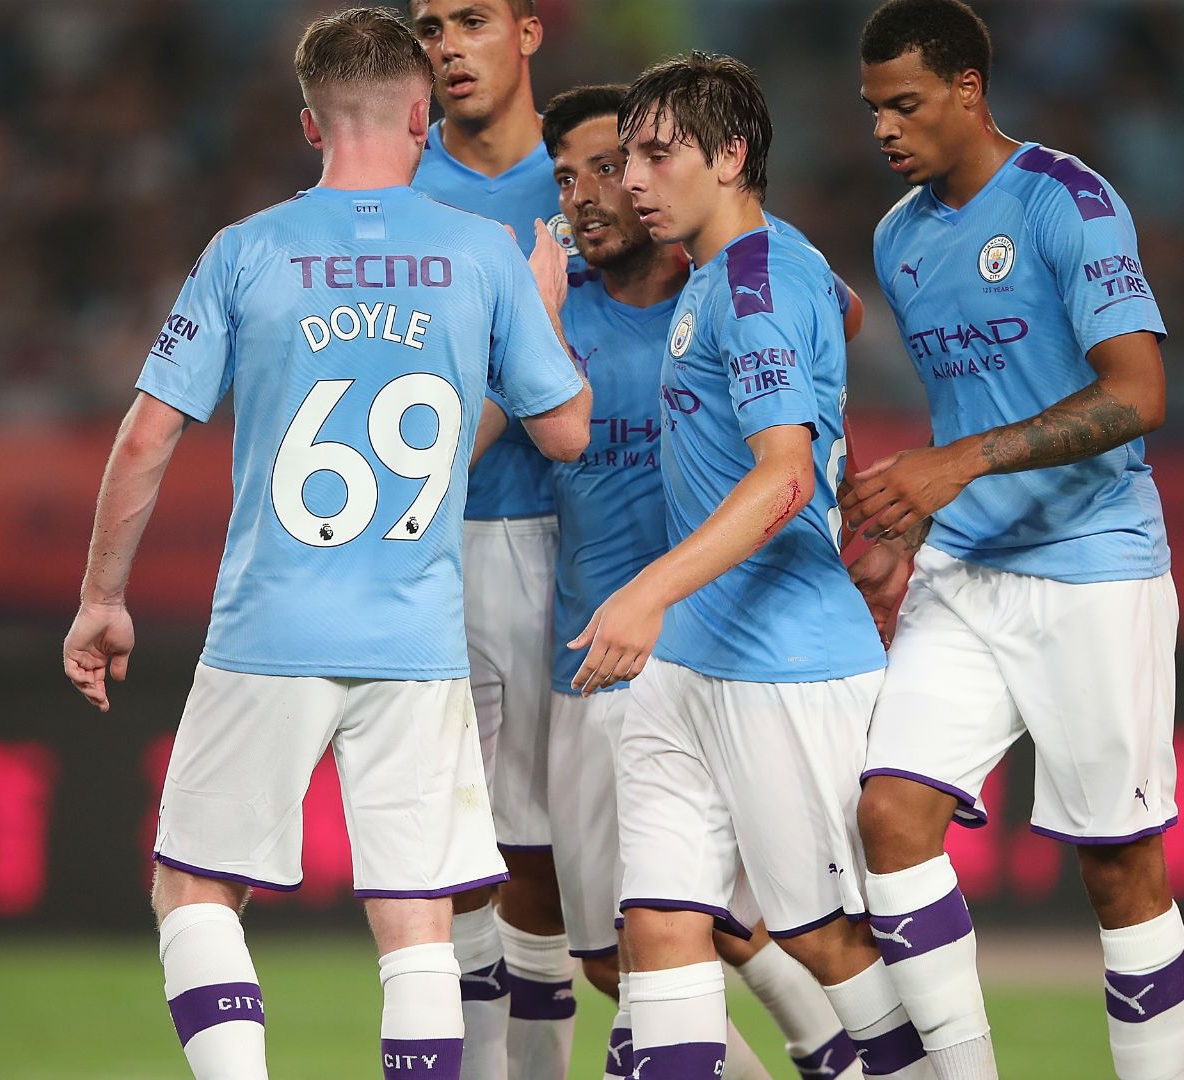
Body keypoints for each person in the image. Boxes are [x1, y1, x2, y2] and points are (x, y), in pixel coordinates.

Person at [59, 9, 590, 1078]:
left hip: (268, 627)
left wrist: (101, 597)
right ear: (418, 111)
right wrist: (540, 313)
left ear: (310, 124)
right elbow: (567, 430)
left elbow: (149, 433)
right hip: (417, 636)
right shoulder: (483, 254)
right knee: (416, 921)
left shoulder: (245, 251)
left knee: (195, 887)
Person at [844, 3, 1184, 1079]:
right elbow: (970, 402)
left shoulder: (1067, 203)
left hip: (1092, 567)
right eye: (873, 111)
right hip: (966, 572)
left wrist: (959, 465)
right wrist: (916, 525)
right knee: (889, 818)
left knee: (1118, 871)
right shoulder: (898, 239)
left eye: (906, 104)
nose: (886, 130)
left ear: (967, 91)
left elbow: (1139, 394)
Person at [570, 52, 931, 1079]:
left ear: (730, 157)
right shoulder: (747, 270)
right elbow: (843, 324)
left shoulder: (753, 285)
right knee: (660, 930)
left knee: (824, 939)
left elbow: (780, 478)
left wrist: (645, 591)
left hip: (785, 664)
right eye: (625, 156)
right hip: (687, 664)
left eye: (656, 153)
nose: (632, 179)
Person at [406, 3, 579, 1073]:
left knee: (561, 863)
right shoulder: (388, 178)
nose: (448, 44)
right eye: (428, 25)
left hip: (580, 543)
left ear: (528, 31)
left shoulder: (599, 166)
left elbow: (802, 300)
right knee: (450, 852)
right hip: (438, 547)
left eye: (473, 18)